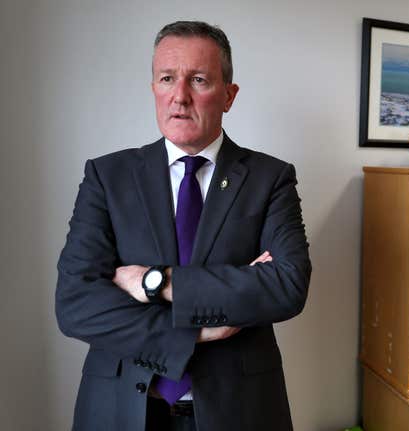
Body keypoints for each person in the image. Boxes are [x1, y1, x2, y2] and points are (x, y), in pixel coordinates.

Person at [56, 21, 311, 431]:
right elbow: (75, 306)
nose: (179, 96)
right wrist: (197, 333)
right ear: (153, 87)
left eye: (198, 79)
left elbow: (287, 287)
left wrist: (158, 281)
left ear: (229, 95)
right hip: (120, 408)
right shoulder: (108, 176)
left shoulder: (271, 178)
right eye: (167, 78)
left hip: (238, 410)